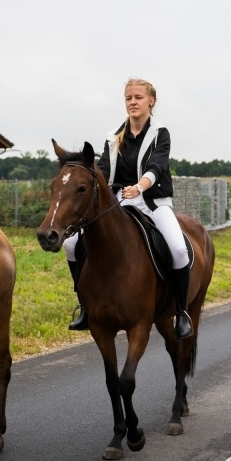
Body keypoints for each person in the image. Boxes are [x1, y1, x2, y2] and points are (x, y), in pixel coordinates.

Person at [63, 78, 193, 338]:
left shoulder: (160, 133)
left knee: (179, 249)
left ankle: (181, 311)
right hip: (118, 201)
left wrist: (140, 187)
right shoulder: (113, 136)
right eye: (128, 98)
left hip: (152, 201)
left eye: (138, 97)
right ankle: (85, 307)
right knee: (70, 244)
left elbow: (156, 167)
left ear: (150, 101)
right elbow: (102, 170)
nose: (132, 102)